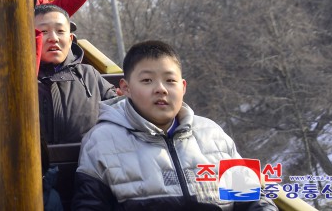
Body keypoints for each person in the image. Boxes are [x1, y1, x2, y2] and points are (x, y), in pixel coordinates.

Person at [73, 40, 278, 211]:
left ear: (183, 87)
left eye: (170, 80)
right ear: (125, 88)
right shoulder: (101, 141)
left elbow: (254, 200)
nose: (161, 89)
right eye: (147, 80)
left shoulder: (213, 134)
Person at [35, 5, 117, 146]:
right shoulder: (16, 78)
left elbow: (118, 114)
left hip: (85, 164)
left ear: (70, 39)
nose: (53, 38)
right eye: (44, 31)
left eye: (60, 31)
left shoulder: (89, 75)